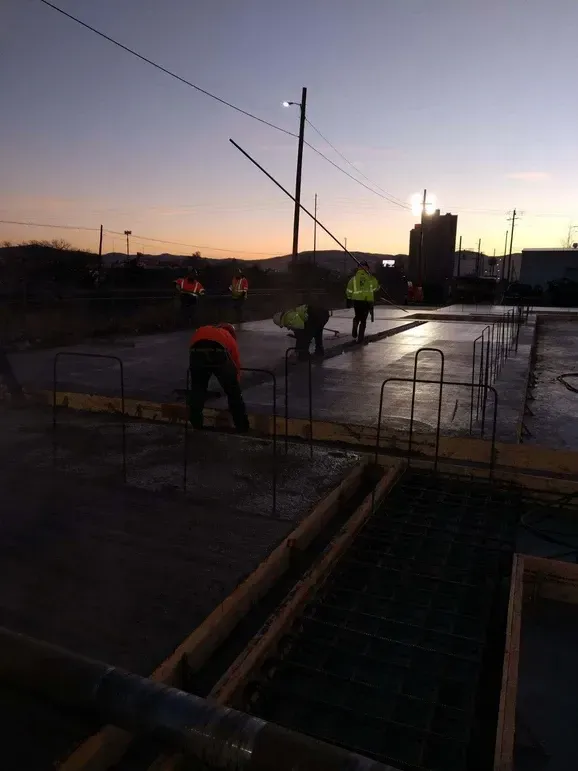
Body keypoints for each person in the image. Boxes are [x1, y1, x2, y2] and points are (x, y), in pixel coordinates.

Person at [188, 322, 249, 432]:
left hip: (196, 351)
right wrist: (235, 382)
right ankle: (242, 426)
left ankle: (195, 424)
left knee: (198, 390)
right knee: (233, 392)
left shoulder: (204, 328)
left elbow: (194, 346)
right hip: (218, 351)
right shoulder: (228, 336)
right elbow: (235, 363)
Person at [345, 261, 380, 344]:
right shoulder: (371, 278)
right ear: (367, 268)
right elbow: (376, 288)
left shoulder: (353, 279)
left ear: (358, 268)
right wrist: (378, 287)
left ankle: (355, 322)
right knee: (363, 320)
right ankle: (360, 338)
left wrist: (349, 299)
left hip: (357, 301)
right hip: (367, 301)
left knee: (357, 315)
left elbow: (349, 290)